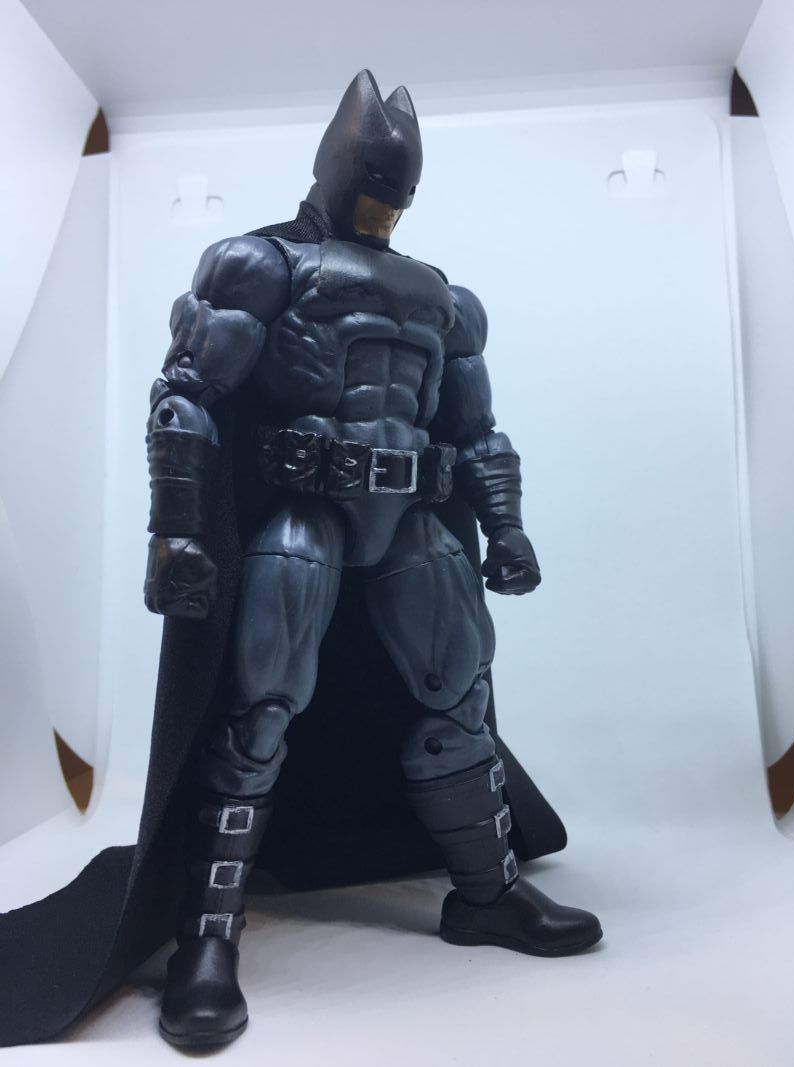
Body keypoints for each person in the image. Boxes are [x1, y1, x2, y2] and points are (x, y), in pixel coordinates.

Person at [145, 69, 602, 1050]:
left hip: (411, 522)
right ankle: (206, 939)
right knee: (259, 712)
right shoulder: (260, 265)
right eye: (372, 182)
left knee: (457, 699)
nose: (385, 203)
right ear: (334, 168)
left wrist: (506, 526)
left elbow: (474, 431)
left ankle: (485, 893)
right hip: (304, 514)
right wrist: (176, 529)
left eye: (399, 189)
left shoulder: (443, 300)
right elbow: (185, 394)